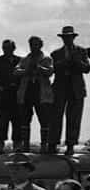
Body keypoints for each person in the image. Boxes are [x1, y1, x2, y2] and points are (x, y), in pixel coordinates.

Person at [50, 25, 88, 156]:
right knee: (56, 118)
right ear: (62, 38)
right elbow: (53, 68)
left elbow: (86, 68)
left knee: (74, 118)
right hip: (60, 89)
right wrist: (65, 62)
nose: (67, 39)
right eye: (65, 37)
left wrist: (76, 61)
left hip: (76, 90)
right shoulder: (55, 53)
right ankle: (53, 144)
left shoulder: (82, 51)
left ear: (73, 38)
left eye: (69, 37)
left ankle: (70, 145)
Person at [15, 36, 55, 152]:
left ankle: (44, 145)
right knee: (25, 119)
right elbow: (16, 71)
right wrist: (27, 70)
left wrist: (39, 68)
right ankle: (25, 145)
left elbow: (50, 71)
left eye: (36, 44)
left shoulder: (47, 59)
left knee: (44, 119)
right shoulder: (24, 60)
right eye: (32, 44)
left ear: (40, 45)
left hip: (41, 93)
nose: (34, 47)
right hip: (27, 91)